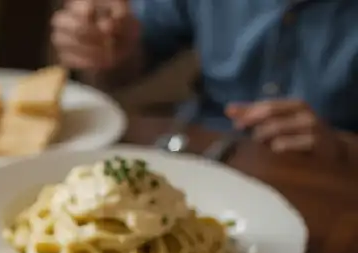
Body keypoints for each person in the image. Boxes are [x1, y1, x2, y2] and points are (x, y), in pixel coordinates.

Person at [50, 0, 358, 162]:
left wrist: (343, 149)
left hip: (332, 190)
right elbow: (122, 69)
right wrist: (105, 48)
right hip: (198, 156)